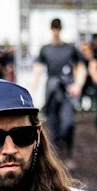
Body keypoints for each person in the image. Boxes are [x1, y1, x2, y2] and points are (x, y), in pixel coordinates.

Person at [36, 18, 86, 158]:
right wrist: (32, 91)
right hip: (51, 90)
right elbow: (38, 69)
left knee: (68, 123)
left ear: (60, 29)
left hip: (67, 89)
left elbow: (80, 67)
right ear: (51, 29)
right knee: (53, 125)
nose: (56, 31)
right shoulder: (45, 49)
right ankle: (57, 156)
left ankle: (68, 148)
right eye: (54, 28)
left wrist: (78, 84)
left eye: (58, 28)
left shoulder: (69, 48)